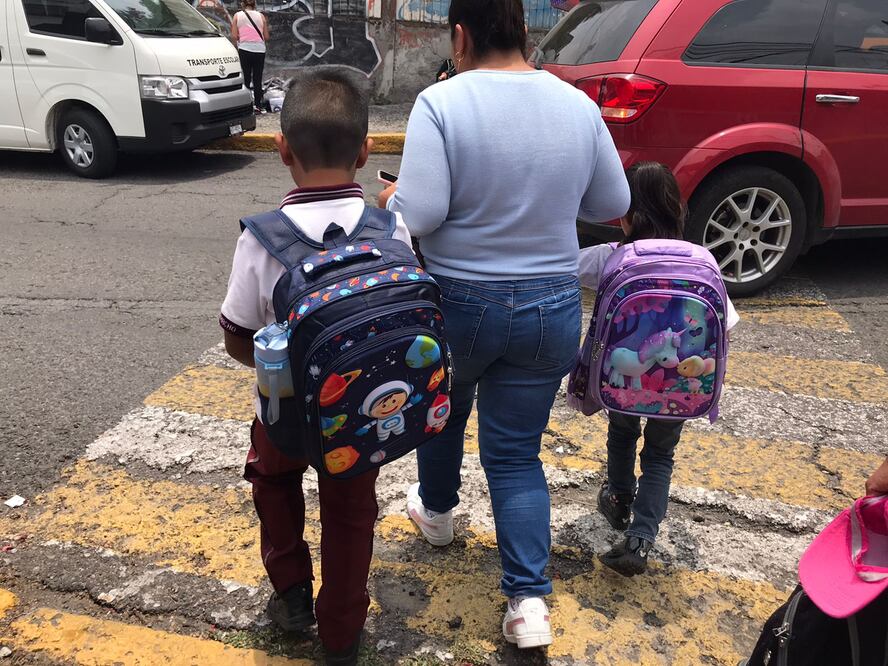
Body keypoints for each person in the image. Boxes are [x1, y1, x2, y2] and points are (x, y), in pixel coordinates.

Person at [379, 0, 630, 650]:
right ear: (525, 31)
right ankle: (527, 606)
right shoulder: (576, 106)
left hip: (463, 304)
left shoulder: (442, 104)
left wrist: (391, 199)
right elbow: (613, 202)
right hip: (550, 307)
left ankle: (437, 516)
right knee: (517, 457)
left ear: (459, 36)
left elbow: (424, 212)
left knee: (443, 410)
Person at [220, 66, 412, 666]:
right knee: (351, 512)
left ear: (281, 150)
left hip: (281, 413)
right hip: (360, 414)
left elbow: (236, 336)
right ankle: (342, 635)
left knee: (274, 481)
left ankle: (292, 593)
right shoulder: (389, 224)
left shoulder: (262, 239)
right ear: (365, 150)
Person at [576, 162, 740, 577]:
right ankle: (642, 537)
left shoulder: (611, 257)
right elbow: (726, 322)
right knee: (661, 455)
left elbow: (558, 267)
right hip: (682, 387)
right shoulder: (704, 261)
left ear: (625, 214)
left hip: (624, 385)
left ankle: (616, 499)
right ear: (678, 211)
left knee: (622, 433)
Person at [230, 0, 270, 113]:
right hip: (259, 51)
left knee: (246, 78)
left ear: (242, 4)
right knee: (257, 79)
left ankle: (246, 106)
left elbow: (234, 35)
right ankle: (258, 105)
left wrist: (243, 38)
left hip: (244, 50)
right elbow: (266, 36)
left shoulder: (237, 16)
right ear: (254, 4)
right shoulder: (261, 16)